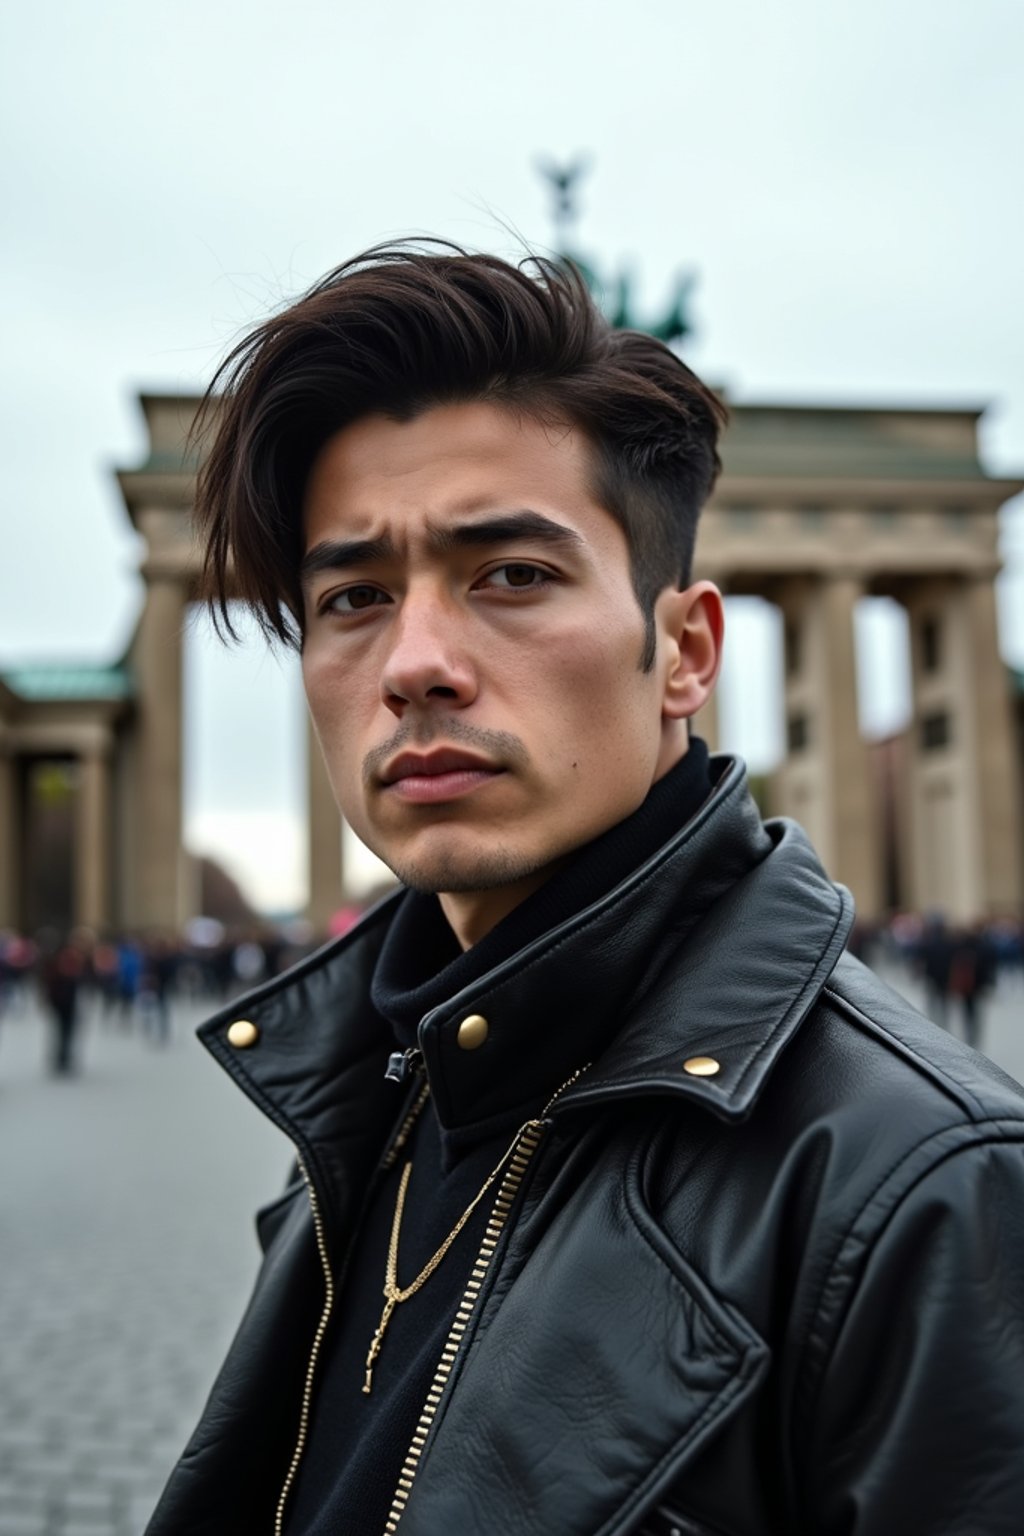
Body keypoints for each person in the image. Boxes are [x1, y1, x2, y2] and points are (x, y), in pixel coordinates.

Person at [146, 247, 1024, 1536]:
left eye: (511, 575)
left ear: (682, 651)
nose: (418, 664)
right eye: (353, 596)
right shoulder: (372, 1088)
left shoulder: (927, 1191)